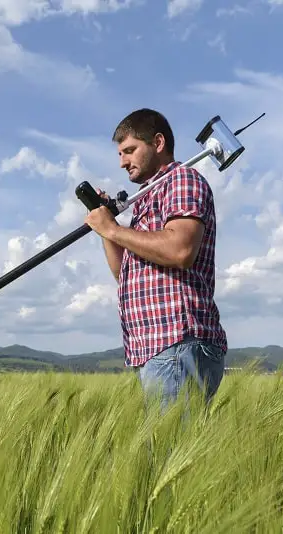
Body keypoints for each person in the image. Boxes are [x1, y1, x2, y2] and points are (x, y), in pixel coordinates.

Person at [84, 108, 227, 412]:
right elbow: (123, 275)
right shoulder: (148, 197)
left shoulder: (181, 181)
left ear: (158, 142)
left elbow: (180, 250)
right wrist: (108, 229)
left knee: (170, 454)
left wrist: (114, 228)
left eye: (130, 150)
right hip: (156, 347)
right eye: (121, 154)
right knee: (165, 454)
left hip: (177, 341)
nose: (123, 162)